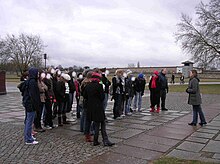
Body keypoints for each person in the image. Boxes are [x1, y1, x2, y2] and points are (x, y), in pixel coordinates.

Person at [83, 72, 115, 146]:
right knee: (101, 123)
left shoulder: (87, 86)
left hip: (90, 107)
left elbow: (85, 96)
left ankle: (96, 140)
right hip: (98, 107)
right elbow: (102, 97)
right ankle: (104, 140)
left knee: (96, 123)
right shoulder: (99, 86)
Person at [23, 67, 41, 144]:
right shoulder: (32, 82)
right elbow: (34, 95)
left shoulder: (30, 81)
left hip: (28, 103)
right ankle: (28, 139)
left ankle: (29, 136)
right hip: (31, 104)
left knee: (29, 121)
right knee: (29, 122)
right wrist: (37, 105)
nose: (38, 74)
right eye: (37, 73)